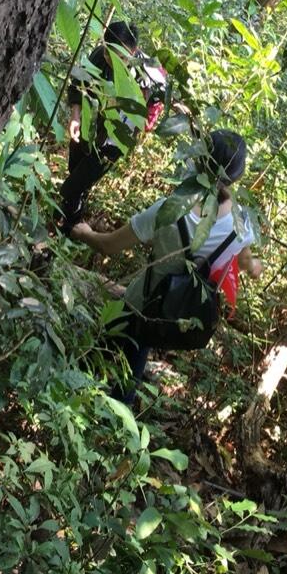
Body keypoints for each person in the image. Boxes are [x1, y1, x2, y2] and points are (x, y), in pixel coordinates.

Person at [71, 129, 262, 399]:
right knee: (133, 356)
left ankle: (78, 397)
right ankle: (115, 420)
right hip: (185, 312)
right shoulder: (242, 225)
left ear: (198, 160)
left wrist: (83, 232)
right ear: (237, 176)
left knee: (106, 354)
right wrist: (256, 266)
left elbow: (108, 246)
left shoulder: (170, 210)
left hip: (143, 304)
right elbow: (245, 264)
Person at [59, 20, 167, 233]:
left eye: (120, 58)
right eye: (109, 54)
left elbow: (161, 98)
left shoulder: (149, 73)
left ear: (134, 51)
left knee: (74, 185)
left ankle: (71, 227)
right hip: (90, 126)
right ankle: (69, 215)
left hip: (114, 140)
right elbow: (80, 84)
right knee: (75, 171)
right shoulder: (100, 55)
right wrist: (75, 116)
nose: (111, 61)